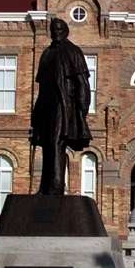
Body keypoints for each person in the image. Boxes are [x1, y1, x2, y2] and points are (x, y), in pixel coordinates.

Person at [30, 18, 91, 195]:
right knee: (47, 144)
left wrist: (82, 110)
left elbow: (82, 83)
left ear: (65, 31)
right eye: (53, 28)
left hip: (64, 105)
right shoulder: (47, 54)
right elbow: (42, 87)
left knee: (57, 142)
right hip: (46, 104)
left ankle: (56, 186)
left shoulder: (73, 52)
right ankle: (45, 186)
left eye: (59, 28)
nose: (56, 31)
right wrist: (36, 112)